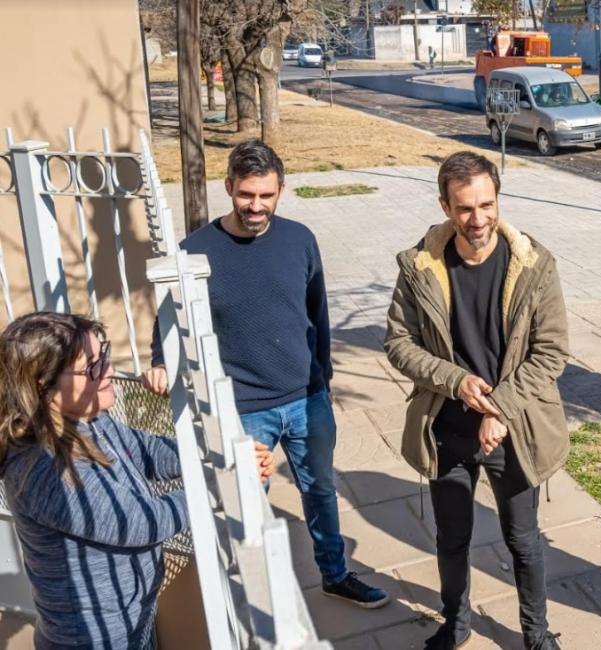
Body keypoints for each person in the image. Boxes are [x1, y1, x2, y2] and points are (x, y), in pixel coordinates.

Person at [143, 139, 389, 608]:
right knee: (248, 504)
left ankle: (335, 575)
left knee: (320, 491)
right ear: (229, 187)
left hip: (307, 398)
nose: (255, 206)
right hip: (244, 408)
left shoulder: (300, 239)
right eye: (246, 195)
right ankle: (256, 597)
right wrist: (159, 359)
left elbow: (316, 312)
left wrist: (323, 375)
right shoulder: (195, 250)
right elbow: (167, 316)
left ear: (281, 191)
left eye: (266, 196)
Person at [0, 312, 273, 649]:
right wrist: (223, 482)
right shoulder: (44, 469)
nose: (109, 371)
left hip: (133, 617)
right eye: (93, 367)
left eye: (105, 357)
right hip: (93, 638)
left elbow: (149, 453)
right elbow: (140, 522)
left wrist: (224, 454)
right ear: (44, 386)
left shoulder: (91, 418)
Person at [384, 151, 568, 650]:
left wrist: (499, 409)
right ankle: (456, 622)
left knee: (524, 541)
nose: (479, 219)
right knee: (452, 538)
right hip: (446, 426)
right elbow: (399, 344)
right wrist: (455, 381)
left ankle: (535, 634)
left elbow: (551, 352)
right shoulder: (419, 266)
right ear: (445, 204)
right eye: (465, 208)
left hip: (514, 429)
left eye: (488, 204)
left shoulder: (535, 264)